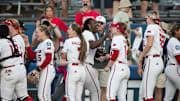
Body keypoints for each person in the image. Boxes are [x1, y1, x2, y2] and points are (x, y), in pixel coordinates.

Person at [0, 24, 33, 101]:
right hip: (21, 69)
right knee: (23, 96)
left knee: (5, 98)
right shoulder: (17, 40)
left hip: (9, 70)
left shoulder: (1, 42)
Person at [22, 25, 56, 101]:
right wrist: (27, 43)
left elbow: (48, 58)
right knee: (46, 96)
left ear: (43, 32)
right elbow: (31, 56)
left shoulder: (48, 42)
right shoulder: (41, 44)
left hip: (47, 69)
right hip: (43, 70)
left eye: (37, 32)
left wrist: (38, 69)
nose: (36, 34)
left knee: (41, 96)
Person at [138, 11, 165, 101]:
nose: (146, 19)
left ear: (150, 17)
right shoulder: (160, 28)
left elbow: (149, 44)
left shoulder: (151, 27)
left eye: (147, 17)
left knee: (147, 94)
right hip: (158, 60)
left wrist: (141, 56)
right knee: (143, 92)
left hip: (152, 60)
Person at [82, 18, 110, 101]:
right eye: (95, 23)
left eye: (99, 23)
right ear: (89, 25)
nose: (97, 25)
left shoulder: (84, 33)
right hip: (87, 65)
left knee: (78, 92)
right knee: (97, 91)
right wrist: (105, 37)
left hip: (83, 64)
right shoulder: (88, 33)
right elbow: (92, 45)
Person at [60, 23, 89, 101]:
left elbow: (63, 57)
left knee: (70, 97)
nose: (68, 31)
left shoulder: (69, 41)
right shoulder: (84, 42)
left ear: (74, 31)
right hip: (82, 70)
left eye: (69, 29)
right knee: (78, 98)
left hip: (73, 69)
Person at [104, 22, 130, 101]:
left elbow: (115, 54)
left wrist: (108, 65)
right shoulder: (123, 38)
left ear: (118, 30)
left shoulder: (117, 38)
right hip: (125, 68)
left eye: (115, 27)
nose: (112, 28)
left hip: (118, 68)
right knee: (122, 97)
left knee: (110, 95)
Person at [93, 16, 111, 101]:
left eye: (101, 23)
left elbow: (113, 51)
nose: (99, 25)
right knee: (93, 89)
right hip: (93, 65)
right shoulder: (92, 34)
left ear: (105, 25)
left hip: (105, 66)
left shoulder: (110, 36)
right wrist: (94, 56)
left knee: (104, 89)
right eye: (97, 23)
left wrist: (108, 56)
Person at [163, 23, 180, 101]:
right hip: (174, 68)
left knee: (168, 97)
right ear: (176, 31)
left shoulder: (173, 41)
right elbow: (178, 58)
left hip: (171, 68)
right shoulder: (175, 41)